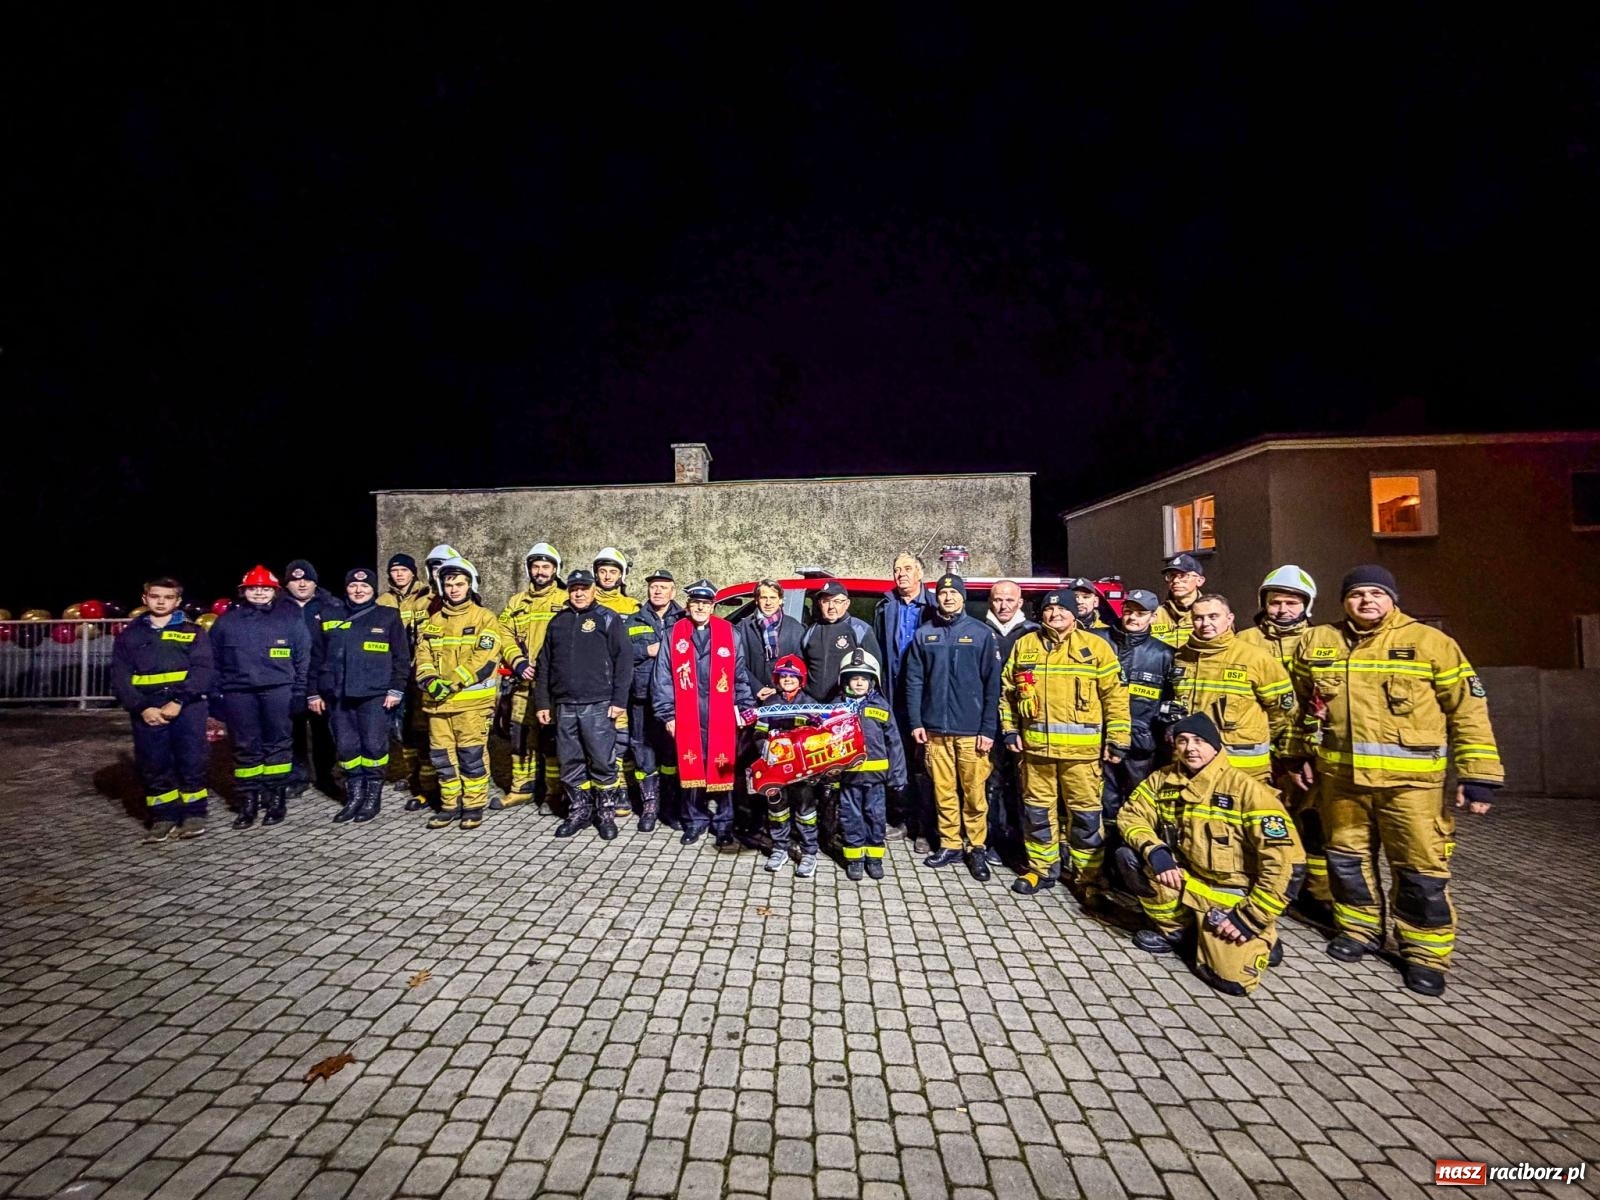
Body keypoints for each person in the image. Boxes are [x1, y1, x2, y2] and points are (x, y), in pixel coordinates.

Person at [1287, 565, 1503, 997]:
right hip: (1341, 780)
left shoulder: (1430, 643)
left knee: (1420, 871)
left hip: (1412, 787)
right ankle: (1358, 930)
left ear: (1392, 597)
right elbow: (1299, 703)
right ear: (1343, 600)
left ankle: (1424, 955)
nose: (1367, 601)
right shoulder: (1319, 642)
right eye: (1357, 594)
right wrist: (1296, 753)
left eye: (1376, 593)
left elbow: (1467, 710)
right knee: (1347, 861)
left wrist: (1479, 775)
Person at [1118, 713, 1305, 996]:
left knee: (1231, 982)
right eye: (1183, 741)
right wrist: (1156, 850)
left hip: (1231, 895)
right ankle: (1174, 930)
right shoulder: (1163, 779)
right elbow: (1131, 816)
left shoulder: (1248, 791)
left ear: (1216, 746)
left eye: (1199, 741)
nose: (1191, 748)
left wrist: (1250, 918)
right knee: (1128, 856)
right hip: (1186, 879)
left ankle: (1262, 932)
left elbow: (1287, 863)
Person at [1000, 590, 1130, 898]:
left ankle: (1089, 880)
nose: (1054, 613)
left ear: (1074, 614)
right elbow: (1007, 693)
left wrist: (1118, 739)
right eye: (1049, 609)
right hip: (1035, 753)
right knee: (1037, 814)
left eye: (1062, 608)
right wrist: (1009, 729)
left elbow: (1115, 697)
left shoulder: (1096, 647)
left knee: (1085, 818)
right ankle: (1041, 869)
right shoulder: (1025, 646)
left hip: (1081, 757)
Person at [1236, 565, 1331, 918]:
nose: (1282, 610)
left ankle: (1316, 896)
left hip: (1307, 754)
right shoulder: (1244, 640)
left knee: (1312, 825)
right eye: (1276, 602)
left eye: (1292, 602)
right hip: (1258, 751)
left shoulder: (1323, 640)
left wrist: (1302, 754)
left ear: (1306, 605)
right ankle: (1261, 887)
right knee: (1259, 823)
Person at [414, 557, 533, 831]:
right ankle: (449, 805)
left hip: (471, 706)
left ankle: (473, 805)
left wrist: (451, 683)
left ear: (470, 585)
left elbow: (484, 659)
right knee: (443, 759)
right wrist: (429, 679)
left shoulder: (484, 618)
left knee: (471, 757)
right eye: (449, 584)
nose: (453, 589)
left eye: (459, 584)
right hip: (436, 705)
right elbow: (422, 655)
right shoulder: (433, 622)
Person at [904, 573, 1001, 881]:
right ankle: (949, 844)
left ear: (963, 597)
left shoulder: (981, 634)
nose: (948, 598)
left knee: (974, 793)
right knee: (943, 791)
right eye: (943, 594)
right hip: (935, 731)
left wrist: (988, 730)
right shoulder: (924, 634)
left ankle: (977, 848)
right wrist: (917, 722)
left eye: (954, 593)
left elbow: (992, 686)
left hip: (972, 732)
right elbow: (914, 682)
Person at [651, 579, 757, 847]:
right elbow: (662, 677)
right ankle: (694, 821)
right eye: (696, 603)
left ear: (713, 607)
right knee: (690, 769)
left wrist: (745, 709)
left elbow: (739, 676)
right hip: (688, 715)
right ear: (688, 606)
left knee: (723, 769)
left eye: (706, 603)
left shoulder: (729, 633)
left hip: (720, 716)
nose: (700, 607)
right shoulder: (674, 634)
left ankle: (724, 823)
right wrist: (668, 715)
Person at [111, 576, 215, 841]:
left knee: (191, 759)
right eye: (155, 596)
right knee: (153, 763)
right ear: (144, 598)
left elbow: (202, 670)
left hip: (187, 708)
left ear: (178, 601)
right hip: (148, 710)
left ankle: (193, 814)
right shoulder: (130, 635)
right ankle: (163, 816)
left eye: (168, 597)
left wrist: (178, 701)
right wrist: (141, 707)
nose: (161, 601)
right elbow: (120, 677)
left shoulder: (193, 632)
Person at [209, 565, 310, 828]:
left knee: (278, 745)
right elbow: (213, 661)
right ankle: (248, 802)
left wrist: (300, 691)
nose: (259, 593)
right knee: (245, 748)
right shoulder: (226, 622)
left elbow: (302, 658)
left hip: (278, 691)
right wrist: (216, 695)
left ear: (274, 591)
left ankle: (276, 800)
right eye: (253, 588)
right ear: (243, 591)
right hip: (238, 693)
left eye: (265, 588)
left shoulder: (289, 619)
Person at [534, 569, 632, 840]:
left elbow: (623, 662)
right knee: (570, 761)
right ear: (568, 591)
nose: (578, 593)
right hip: (564, 705)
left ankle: (605, 814)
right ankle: (580, 810)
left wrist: (618, 700)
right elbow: (545, 665)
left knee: (603, 761)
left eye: (584, 588)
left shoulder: (608, 618)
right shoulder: (557, 622)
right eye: (574, 588)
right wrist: (543, 702)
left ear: (593, 590)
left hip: (599, 704)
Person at [309, 568, 410, 824]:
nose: (358, 590)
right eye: (353, 585)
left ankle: (372, 796)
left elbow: (401, 658)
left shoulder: (388, 616)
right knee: (346, 747)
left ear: (373, 589)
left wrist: (396, 689)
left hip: (374, 695)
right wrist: (313, 692)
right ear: (346, 588)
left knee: (374, 746)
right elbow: (315, 657)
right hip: (337, 695)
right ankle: (354, 794)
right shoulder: (329, 615)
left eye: (364, 586)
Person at [1168, 594, 1296, 781]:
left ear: (1229, 619)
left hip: (1244, 770)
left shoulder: (1256, 658)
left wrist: (1257, 736)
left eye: (1213, 617)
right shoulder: (1181, 658)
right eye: (1198, 618)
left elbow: (1283, 711)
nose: (1205, 623)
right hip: (1192, 767)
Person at [1098, 589, 1175, 894]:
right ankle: (1104, 869)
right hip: (1101, 744)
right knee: (1103, 808)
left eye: (1140, 613)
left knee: (1137, 810)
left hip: (1142, 751)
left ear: (1153, 617)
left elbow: (1170, 704)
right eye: (1128, 610)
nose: (1132, 617)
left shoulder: (1164, 654)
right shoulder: (1101, 642)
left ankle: (1130, 870)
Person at [497, 543, 568, 810]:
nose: (540, 571)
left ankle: (553, 792)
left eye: (545, 567)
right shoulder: (516, 602)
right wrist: (517, 661)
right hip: (523, 683)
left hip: (551, 686)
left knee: (551, 738)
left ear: (555, 570)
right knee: (520, 737)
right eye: (535, 567)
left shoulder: (563, 599)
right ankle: (521, 789)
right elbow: (502, 633)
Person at [834, 649, 908, 881]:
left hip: (876, 777)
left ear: (872, 681)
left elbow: (894, 742)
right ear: (845, 681)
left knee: (875, 816)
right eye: (854, 678)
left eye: (863, 679)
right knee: (850, 816)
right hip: (849, 777)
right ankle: (855, 858)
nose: (858, 684)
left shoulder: (882, 706)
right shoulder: (836, 708)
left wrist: (898, 775)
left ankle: (874, 857)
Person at [622, 567, 684, 832]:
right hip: (641, 699)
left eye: (663, 586)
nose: (657, 591)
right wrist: (646, 650)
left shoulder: (683, 619)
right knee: (643, 755)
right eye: (653, 586)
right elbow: (620, 654)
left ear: (673, 591)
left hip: (674, 701)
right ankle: (649, 806)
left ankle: (669, 806)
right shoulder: (632, 621)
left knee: (671, 756)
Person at [754, 655, 824, 877]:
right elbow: (759, 732)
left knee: (806, 811)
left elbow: (820, 738)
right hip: (775, 769)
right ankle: (780, 848)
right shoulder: (770, 703)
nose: (787, 680)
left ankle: (809, 852)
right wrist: (763, 748)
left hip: (802, 771)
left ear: (801, 679)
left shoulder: (810, 704)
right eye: (783, 676)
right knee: (777, 810)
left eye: (792, 677)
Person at [984, 580, 1037, 857]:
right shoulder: (981, 632)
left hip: (1025, 724)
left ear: (1020, 602)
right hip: (989, 723)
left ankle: (1021, 842)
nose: (1002, 606)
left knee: (1024, 784)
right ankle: (994, 838)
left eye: (1009, 600)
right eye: (997, 600)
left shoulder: (1034, 634)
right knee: (991, 782)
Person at [377, 552, 432, 804]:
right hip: (395, 672)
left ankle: (428, 776)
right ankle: (412, 775)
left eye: (403, 570)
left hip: (420, 671)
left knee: (423, 726)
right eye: (394, 571)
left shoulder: (428, 597)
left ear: (413, 572)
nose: (399, 575)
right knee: (402, 729)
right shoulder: (383, 601)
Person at [282, 559, 336, 798]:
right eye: (295, 580)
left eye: (307, 579)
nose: (301, 584)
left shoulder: (330, 605)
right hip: (288, 681)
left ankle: (326, 776)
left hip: (321, 680)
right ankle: (297, 778)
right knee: (292, 732)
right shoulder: (277, 608)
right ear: (287, 584)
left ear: (315, 582)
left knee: (324, 731)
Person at [801, 581, 882, 704]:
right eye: (826, 601)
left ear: (847, 603)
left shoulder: (860, 630)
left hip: (846, 703)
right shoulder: (811, 632)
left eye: (837, 601)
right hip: (812, 705)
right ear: (819, 604)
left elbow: (876, 671)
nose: (831, 606)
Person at [1150, 553, 1206, 649]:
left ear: (1199, 581)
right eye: (1172, 576)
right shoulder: (1156, 614)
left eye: (1183, 576)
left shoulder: (1210, 613)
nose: (1175, 581)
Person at [592, 547, 640, 616]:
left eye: (613, 572)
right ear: (596, 573)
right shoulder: (578, 599)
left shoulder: (631, 606)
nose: (607, 577)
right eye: (602, 572)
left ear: (621, 574)